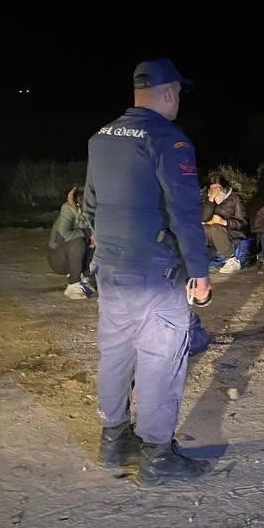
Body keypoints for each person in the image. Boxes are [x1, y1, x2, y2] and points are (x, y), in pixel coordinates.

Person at [82, 58, 214, 487]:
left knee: (116, 353)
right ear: (169, 93)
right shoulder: (169, 141)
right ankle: (157, 456)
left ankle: (113, 442)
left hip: (111, 268)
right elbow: (184, 211)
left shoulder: (101, 137)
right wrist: (199, 272)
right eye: (178, 94)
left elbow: (90, 205)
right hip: (155, 272)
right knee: (161, 359)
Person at [48, 185, 95, 299]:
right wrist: (88, 233)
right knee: (78, 241)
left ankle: (84, 279)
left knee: (98, 241)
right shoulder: (68, 210)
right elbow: (64, 235)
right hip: (59, 259)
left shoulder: (93, 212)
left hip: (77, 258)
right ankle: (73, 284)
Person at [201, 172, 250, 274]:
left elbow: (243, 223)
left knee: (215, 227)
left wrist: (224, 222)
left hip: (232, 234)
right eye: (212, 189)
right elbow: (204, 218)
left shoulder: (235, 199)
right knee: (200, 228)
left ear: (224, 188)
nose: (215, 192)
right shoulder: (209, 201)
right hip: (215, 236)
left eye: (218, 188)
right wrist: (211, 200)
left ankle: (232, 259)